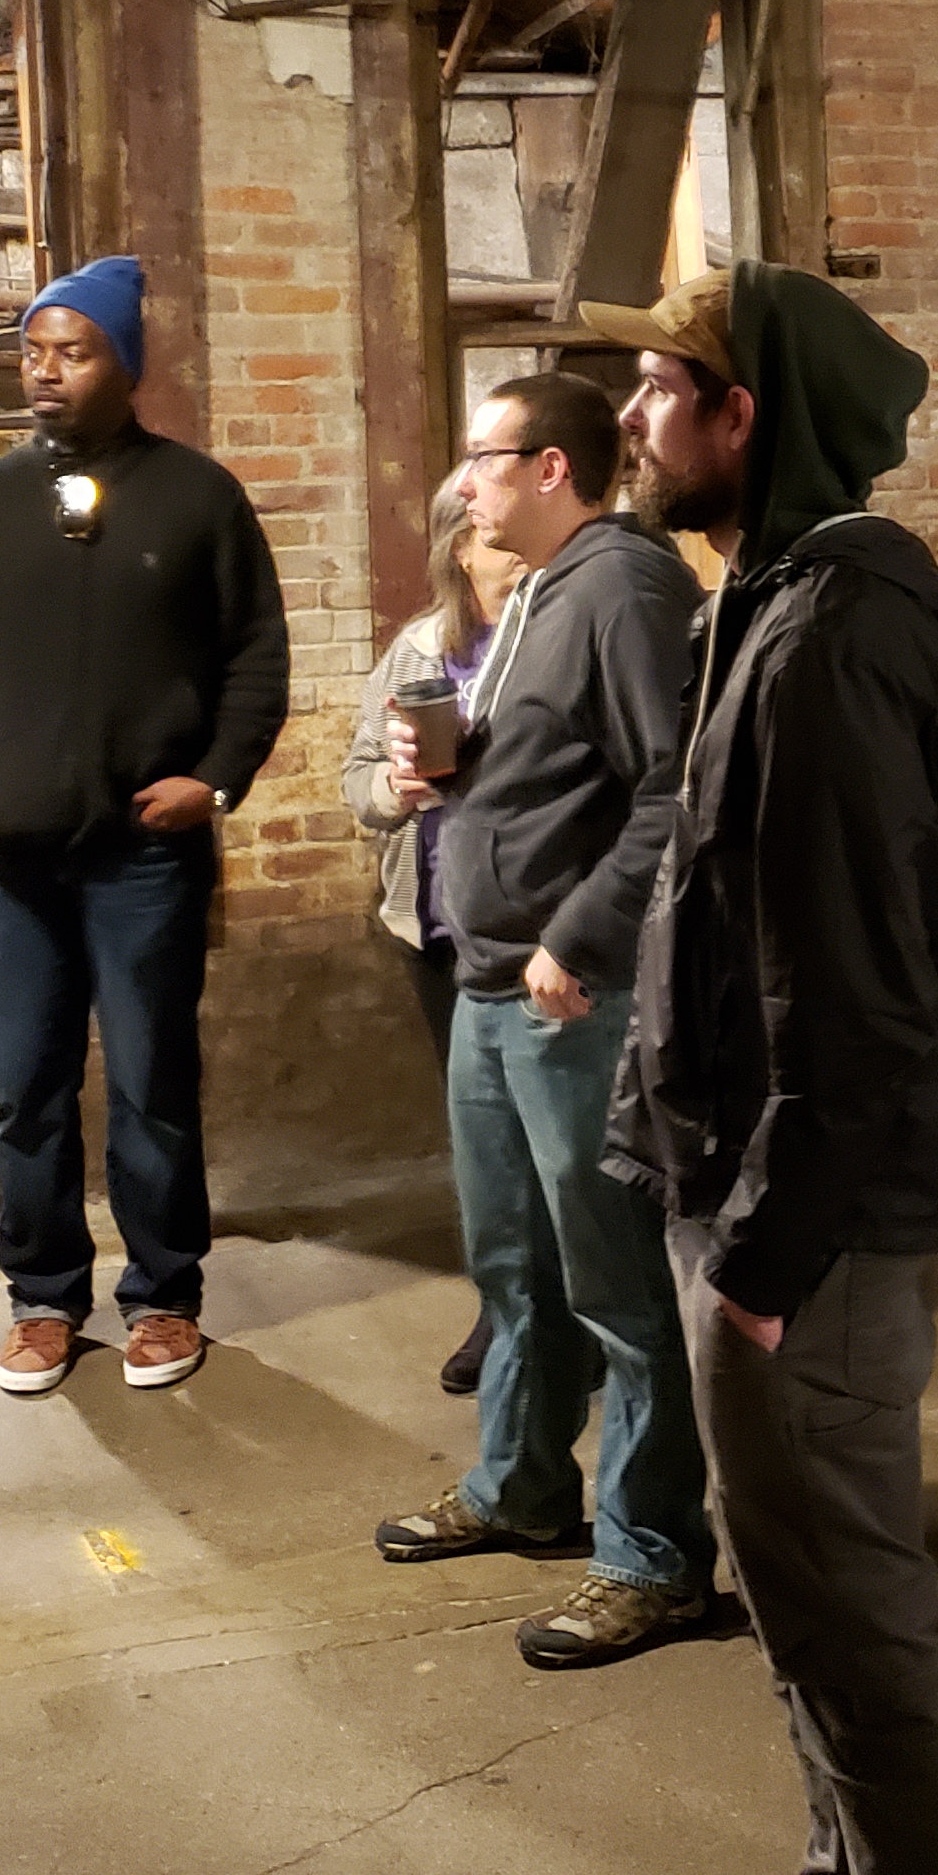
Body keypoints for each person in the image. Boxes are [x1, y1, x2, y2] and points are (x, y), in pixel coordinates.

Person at [594, 265, 938, 1875]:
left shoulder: (830, 637)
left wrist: (761, 1253)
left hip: (805, 1241)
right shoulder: (761, 607)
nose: (627, 417)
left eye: (655, 385)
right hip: (747, 1206)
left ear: (742, 412)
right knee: (801, 1630)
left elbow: (853, 994)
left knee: (866, 1647)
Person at [370, 371, 714, 1668]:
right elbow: (548, 762)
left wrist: (585, 932)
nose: (468, 482)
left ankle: (655, 1558)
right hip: (490, 978)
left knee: (617, 1289)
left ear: (556, 468)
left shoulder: (624, 586)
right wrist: (444, 764)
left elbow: (676, 787)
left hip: (576, 990)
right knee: (513, 1268)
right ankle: (522, 1486)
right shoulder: (540, 593)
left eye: (488, 458)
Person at [0, 254, 292, 1396]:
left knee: (150, 1080)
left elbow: (256, 660)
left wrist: (213, 781)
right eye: (34, 352)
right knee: (25, 1087)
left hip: (146, 857)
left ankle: (164, 1296)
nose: (46, 374)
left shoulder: (198, 497)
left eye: (73, 352)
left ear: (126, 363)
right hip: (13, 862)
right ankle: (41, 1299)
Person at [341, 480, 521, 1395]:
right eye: (497, 538)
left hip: (537, 931)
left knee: (559, 1141)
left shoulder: (557, 636)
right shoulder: (420, 646)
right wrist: (394, 794)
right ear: (461, 549)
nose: (521, 551)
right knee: (483, 1139)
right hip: (439, 927)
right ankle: (507, 1309)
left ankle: (579, 1310)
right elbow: (361, 774)